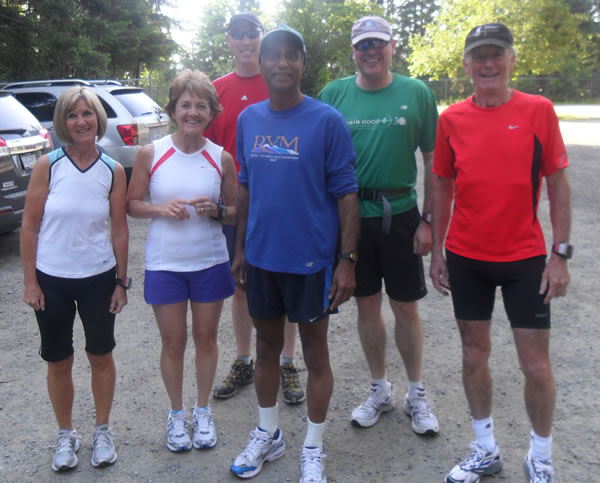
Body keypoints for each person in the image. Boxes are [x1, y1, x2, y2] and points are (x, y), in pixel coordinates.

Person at [429, 23, 571, 483]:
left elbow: (557, 184)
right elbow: (443, 185)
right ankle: (485, 448)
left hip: (525, 259)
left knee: (535, 364)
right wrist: (436, 249)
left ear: (511, 59)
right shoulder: (451, 118)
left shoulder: (538, 111)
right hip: (467, 257)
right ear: (467, 65)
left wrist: (560, 254)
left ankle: (540, 455)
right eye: (478, 56)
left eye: (496, 55)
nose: (487, 64)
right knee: (474, 356)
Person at [229, 25, 358, 482]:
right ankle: (269, 435)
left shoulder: (326, 121)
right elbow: (245, 189)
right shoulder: (249, 121)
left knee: (315, 355)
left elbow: (346, 195)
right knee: (266, 347)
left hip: (311, 262)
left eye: (292, 55)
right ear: (260, 63)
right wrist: (241, 247)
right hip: (262, 259)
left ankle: (313, 448)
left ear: (303, 63)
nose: (282, 62)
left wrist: (347, 260)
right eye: (274, 55)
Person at [318, 15, 439, 435]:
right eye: (362, 45)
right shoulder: (334, 94)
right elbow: (317, 159)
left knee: (406, 307)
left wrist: (428, 220)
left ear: (392, 48)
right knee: (367, 305)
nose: (370, 52)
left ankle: (416, 393)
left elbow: (434, 162)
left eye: (378, 44)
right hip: (351, 217)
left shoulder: (416, 92)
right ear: (353, 51)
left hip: (402, 214)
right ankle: (379, 389)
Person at [127, 70, 237, 453]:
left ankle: (202, 410)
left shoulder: (220, 157)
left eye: (200, 106)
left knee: (206, 339)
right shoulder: (151, 153)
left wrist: (217, 209)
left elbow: (237, 211)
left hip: (209, 261)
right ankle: (176, 414)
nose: (192, 112)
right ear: (174, 110)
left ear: (211, 112)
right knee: (173, 342)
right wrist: (159, 208)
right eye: (185, 105)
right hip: (165, 262)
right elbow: (132, 204)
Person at [20, 86, 129, 471]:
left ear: (97, 119)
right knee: (58, 360)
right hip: (52, 281)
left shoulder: (112, 170)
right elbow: (30, 227)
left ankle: (102, 430)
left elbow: (119, 230)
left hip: (99, 279)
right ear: (63, 123)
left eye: (87, 114)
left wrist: (122, 281)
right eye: (72, 115)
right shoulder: (47, 165)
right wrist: (31, 282)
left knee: (100, 356)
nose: (81, 121)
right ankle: (66, 434)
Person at [204, 12, 304, 405]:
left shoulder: (280, 77)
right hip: (238, 205)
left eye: (252, 34)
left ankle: (287, 363)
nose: (245, 41)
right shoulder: (218, 90)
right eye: (238, 35)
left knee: (291, 282)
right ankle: (244, 359)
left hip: (283, 203)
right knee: (242, 285)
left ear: (261, 41)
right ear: (228, 40)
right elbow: (208, 151)